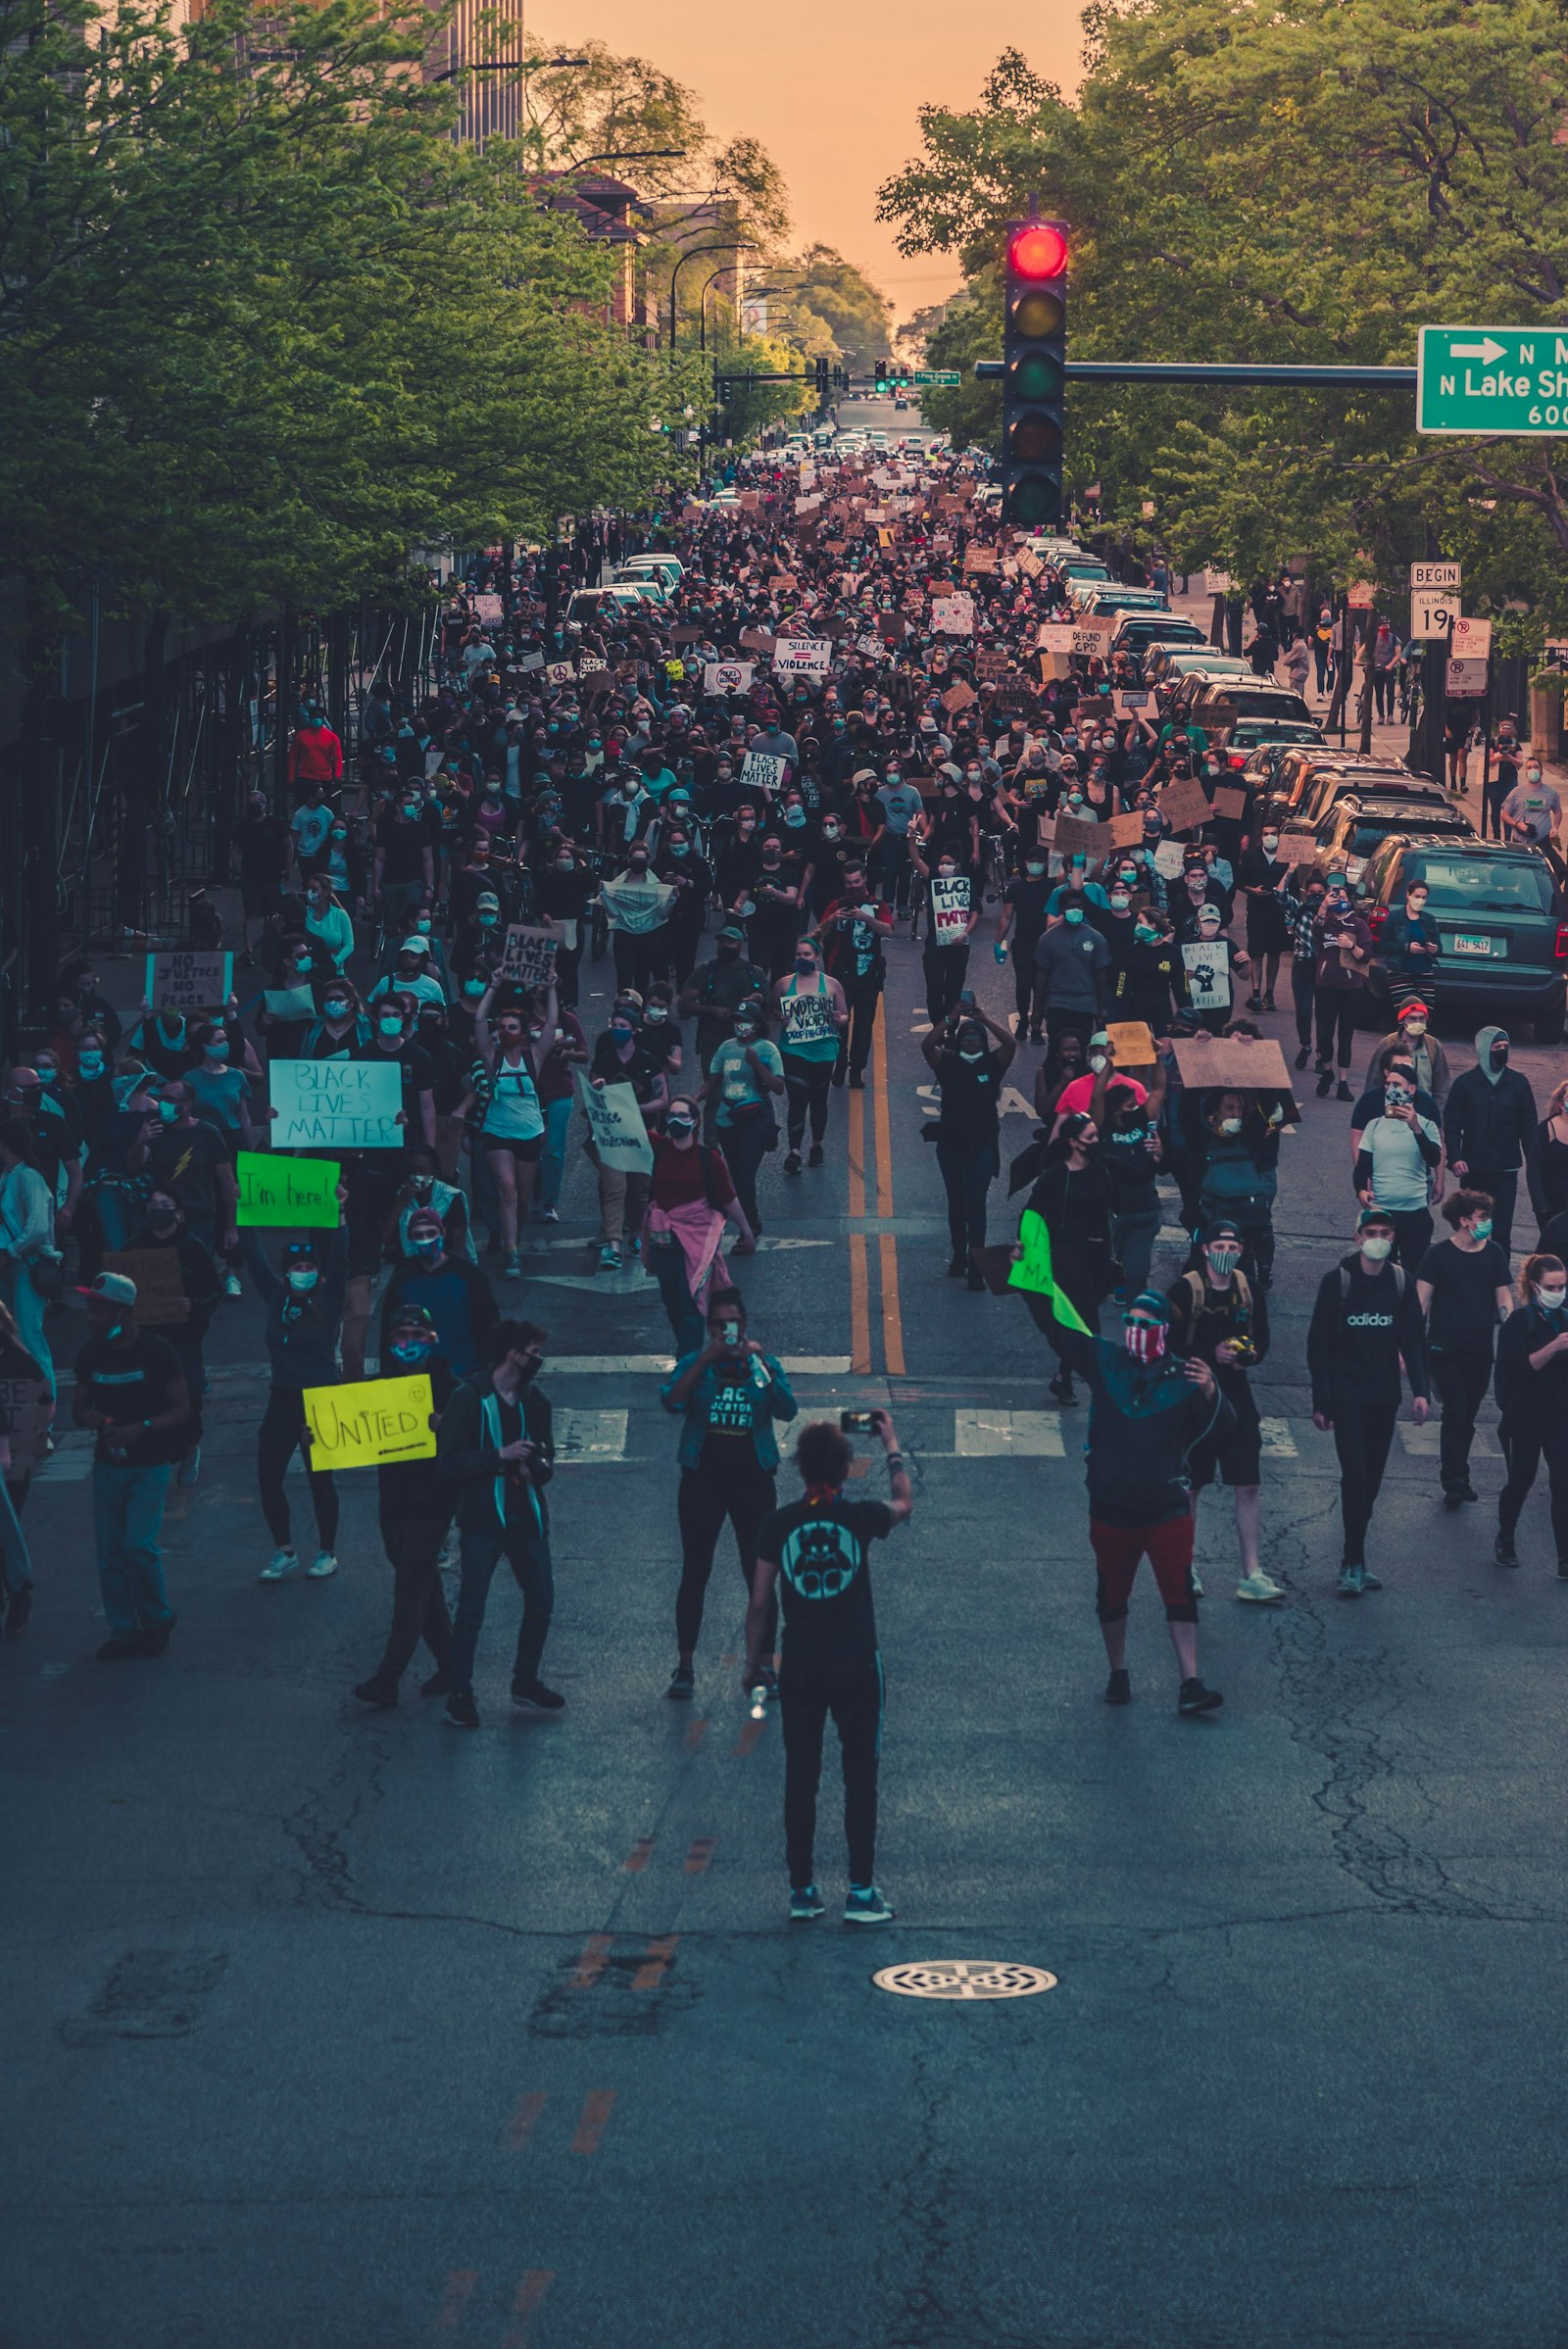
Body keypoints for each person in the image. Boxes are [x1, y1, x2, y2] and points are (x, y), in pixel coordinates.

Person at [744, 1409, 912, 1925]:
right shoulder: (857, 1519)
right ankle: (861, 1891)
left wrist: (754, 1666)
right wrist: (891, 1444)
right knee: (860, 1775)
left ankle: (803, 1889)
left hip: (801, 1664)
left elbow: (759, 1604)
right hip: (857, 1661)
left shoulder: (778, 1524)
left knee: (802, 1774)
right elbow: (905, 1502)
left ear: (800, 1468)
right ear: (845, 1468)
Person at [1046, 1291, 1229, 1715]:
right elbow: (1056, 1330)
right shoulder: (1105, 1360)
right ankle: (1118, 1673)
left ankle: (1190, 1682)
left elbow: (1222, 1427)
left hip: (1166, 1506)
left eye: (1146, 1325)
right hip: (1111, 1506)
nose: (1136, 1332)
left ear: (1164, 1330)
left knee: (1179, 1592)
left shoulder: (1186, 1377)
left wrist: (1210, 1391)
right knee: (1111, 1593)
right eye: (1131, 1322)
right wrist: (1026, 1279)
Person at [661, 1289, 797, 1700]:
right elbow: (671, 1400)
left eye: (732, 1324)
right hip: (702, 1480)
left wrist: (756, 1362)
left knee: (758, 1576)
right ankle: (684, 1666)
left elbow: (787, 1409)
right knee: (695, 1571)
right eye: (718, 1325)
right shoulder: (695, 1365)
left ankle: (764, 1667)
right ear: (710, 1327)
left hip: (752, 1482)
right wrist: (705, 1358)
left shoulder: (763, 1366)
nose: (726, 1331)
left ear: (745, 1325)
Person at [436, 1318, 560, 1728]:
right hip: (482, 1519)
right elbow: (448, 1463)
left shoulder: (535, 1401)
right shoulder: (470, 1399)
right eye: (535, 1352)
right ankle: (460, 1693)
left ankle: (525, 1680)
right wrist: (499, 1456)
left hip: (525, 1515)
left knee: (541, 1598)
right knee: (472, 1607)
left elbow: (547, 1457)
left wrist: (534, 1470)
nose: (538, 1360)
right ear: (514, 1354)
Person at [1306, 1206, 1432, 1595]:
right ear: (1358, 1237)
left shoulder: (1400, 1282)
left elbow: (1412, 1338)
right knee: (1356, 1477)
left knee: (1373, 1482)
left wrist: (1422, 1391)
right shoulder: (1338, 1281)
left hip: (1383, 1396)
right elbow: (1318, 1344)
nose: (1379, 1238)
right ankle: (1352, 1560)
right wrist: (1321, 1400)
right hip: (1347, 1396)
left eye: (1385, 1232)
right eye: (1371, 1231)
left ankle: (1357, 1555)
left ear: (1393, 1238)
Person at [72, 1270, 189, 1658]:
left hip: (150, 1464)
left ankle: (157, 1618)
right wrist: (103, 1424)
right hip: (108, 1466)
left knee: (138, 1545)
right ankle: (124, 1631)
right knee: (110, 1553)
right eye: (91, 1308)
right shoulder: (91, 1353)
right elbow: (80, 1409)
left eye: (100, 1310)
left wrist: (142, 1427)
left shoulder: (156, 1351)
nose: (92, 1317)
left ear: (123, 1313)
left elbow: (181, 1409)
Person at [1168, 1219, 1285, 1603]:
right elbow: (1165, 1349)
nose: (1226, 1254)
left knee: (1247, 1483)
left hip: (1236, 1398)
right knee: (1192, 1485)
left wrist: (1247, 1355)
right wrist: (1208, 1356)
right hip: (1195, 1402)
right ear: (1204, 1249)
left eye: (1233, 1248)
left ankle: (1251, 1572)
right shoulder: (1184, 1290)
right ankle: (1185, 1566)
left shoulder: (1247, 1289)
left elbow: (1261, 1337)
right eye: (1219, 1246)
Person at [352, 1305, 457, 1709]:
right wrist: (317, 1437)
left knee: (411, 1586)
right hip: (393, 1500)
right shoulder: (381, 1387)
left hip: (433, 1503)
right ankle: (451, 1663)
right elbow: (348, 1432)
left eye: (417, 1334)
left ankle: (388, 1678)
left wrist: (445, 1425)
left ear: (432, 1339)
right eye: (401, 1335)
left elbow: (475, 1436)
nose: (408, 1343)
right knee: (422, 1581)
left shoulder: (452, 1388)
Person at [241, 1221, 348, 1580]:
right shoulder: (276, 1297)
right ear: (287, 1272)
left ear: (318, 1271)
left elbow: (341, 1259)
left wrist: (341, 1219)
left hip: (320, 1400)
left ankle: (328, 1553)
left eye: (309, 1267)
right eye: (296, 1268)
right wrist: (244, 1215)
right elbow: (255, 1259)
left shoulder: (329, 1298)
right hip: (282, 1398)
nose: (303, 1273)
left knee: (321, 1479)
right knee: (268, 1476)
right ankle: (285, 1550)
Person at [1416, 1191, 1512, 1510]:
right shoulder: (1438, 1256)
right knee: (1455, 1412)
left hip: (1480, 1350)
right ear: (1464, 1220)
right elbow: (1421, 1302)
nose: (1487, 1223)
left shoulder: (1495, 1254)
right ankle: (1454, 1480)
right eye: (1482, 1217)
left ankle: (1461, 1474)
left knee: (1467, 1416)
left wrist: (1510, 1325)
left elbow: (1503, 1297)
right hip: (1444, 1348)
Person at [125, 1184, 222, 1488]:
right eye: (153, 1203)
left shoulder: (193, 1248)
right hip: (146, 1334)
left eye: (164, 1204)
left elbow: (213, 1291)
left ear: (178, 1212)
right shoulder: (132, 1248)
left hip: (183, 1334)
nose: (157, 1209)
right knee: (149, 1394)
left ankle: (191, 1446)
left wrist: (193, 1305)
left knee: (190, 1389)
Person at [643, 1099, 756, 1356]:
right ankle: (686, 1348)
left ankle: (688, 1359)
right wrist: (602, 1096)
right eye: (671, 1115)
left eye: (682, 1116)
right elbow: (625, 1125)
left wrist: (746, 1232)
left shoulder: (709, 1158)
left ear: (695, 1122)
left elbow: (728, 1197)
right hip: (664, 1240)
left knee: (690, 1299)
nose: (675, 1121)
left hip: (697, 1239)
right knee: (671, 1300)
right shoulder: (658, 1147)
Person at [921, 1001, 1015, 1288]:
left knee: (976, 1202)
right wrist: (951, 1017)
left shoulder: (992, 1064)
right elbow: (928, 1045)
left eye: (977, 1038)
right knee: (956, 1202)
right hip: (951, 1142)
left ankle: (976, 1263)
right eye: (967, 1037)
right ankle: (959, 1255)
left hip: (983, 1143)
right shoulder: (947, 1062)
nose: (972, 1042)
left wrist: (984, 1020)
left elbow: (1010, 1044)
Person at [472, 979, 556, 1276]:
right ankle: (512, 1253)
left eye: (512, 1027)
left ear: (522, 1034)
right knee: (507, 1191)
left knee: (521, 1198)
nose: (506, 1032)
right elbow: (480, 1019)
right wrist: (492, 987)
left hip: (529, 1133)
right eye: (503, 1027)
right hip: (497, 1133)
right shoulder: (491, 1057)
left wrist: (552, 989)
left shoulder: (533, 1058)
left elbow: (551, 1027)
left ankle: (513, 1239)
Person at [1493, 1254, 1568, 1573]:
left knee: (1563, 1481)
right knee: (1521, 1479)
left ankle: (1564, 1556)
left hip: (1559, 1413)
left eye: (1563, 1285)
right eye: (1552, 1286)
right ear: (1536, 1286)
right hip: (1524, 1414)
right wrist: (1553, 1347)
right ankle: (1505, 1537)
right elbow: (1521, 1370)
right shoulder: (1519, 1322)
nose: (1559, 1291)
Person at [1444, 1027, 1542, 1260]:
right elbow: (1453, 1125)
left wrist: (1536, 1164)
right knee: (1471, 1227)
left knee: (1501, 1231)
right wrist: (1456, 1157)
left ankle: (1499, 1280)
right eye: (1497, 1048)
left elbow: (1529, 1129)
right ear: (1484, 1050)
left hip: (1505, 1170)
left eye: (1505, 1048)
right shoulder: (1465, 1084)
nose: (1502, 1052)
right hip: (1474, 1169)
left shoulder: (1518, 1084)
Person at [377, 1205, 498, 1377]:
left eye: (431, 1233)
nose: (426, 1239)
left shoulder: (470, 1276)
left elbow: (488, 1327)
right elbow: (389, 1337)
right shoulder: (402, 1281)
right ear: (410, 1239)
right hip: (417, 1379)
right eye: (419, 1235)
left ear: (443, 1233)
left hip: (465, 1374)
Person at [699, 995, 783, 1240]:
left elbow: (778, 1087)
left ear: (757, 1024)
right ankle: (750, 1220)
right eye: (738, 1021)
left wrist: (757, 1065)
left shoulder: (767, 1049)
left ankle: (750, 1226)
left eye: (746, 1021)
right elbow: (712, 1081)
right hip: (728, 1117)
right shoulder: (726, 1048)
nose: (741, 1026)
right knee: (735, 1173)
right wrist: (692, 1101)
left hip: (757, 1116)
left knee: (746, 1172)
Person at [1354, 1055, 1445, 1266]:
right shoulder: (1374, 1125)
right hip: (1382, 1212)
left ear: (1411, 1089)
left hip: (1415, 1212)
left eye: (1397, 1084)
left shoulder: (1426, 1125)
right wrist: (1360, 1190)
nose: (1390, 1088)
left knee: (1414, 1272)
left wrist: (1415, 1128)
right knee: (1382, 1270)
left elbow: (1433, 1158)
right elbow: (1362, 1167)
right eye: (1387, 1084)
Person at [773, 935, 847, 1176]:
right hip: (794, 1049)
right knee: (798, 1099)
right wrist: (780, 1018)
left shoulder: (832, 985)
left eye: (807, 954)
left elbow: (845, 1015)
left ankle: (816, 1145)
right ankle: (794, 1151)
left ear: (816, 957)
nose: (802, 958)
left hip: (823, 1050)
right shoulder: (784, 984)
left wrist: (839, 1019)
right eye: (798, 955)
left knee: (818, 1099)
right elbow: (774, 1010)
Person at [0, 1119, 61, 1398]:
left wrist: (12, 1250)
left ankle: (44, 1413)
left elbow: (37, 1228)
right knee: (14, 1337)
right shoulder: (7, 1177)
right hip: (12, 1266)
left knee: (30, 1337)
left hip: (28, 1265)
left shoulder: (29, 1177)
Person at [1311, 875, 1372, 1100]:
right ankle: (1327, 1072)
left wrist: (1351, 945)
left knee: (1345, 1037)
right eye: (1335, 896)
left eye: (1343, 896)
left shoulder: (1358, 925)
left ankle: (1343, 1082)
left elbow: (1366, 957)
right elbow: (1314, 929)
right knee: (1325, 1035)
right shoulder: (1325, 920)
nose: (1339, 900)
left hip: (1351, 988)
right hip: (1326, 985)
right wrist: (1323, 905)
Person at [1237, 821, 1290, 1009]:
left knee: (1274, 953)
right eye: (1266, 833)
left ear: (1279, 835)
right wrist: (1253, 890)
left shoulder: (1287, 859)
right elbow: (1239, 881)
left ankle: (1270, 992)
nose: (1270, 837)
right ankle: (1256, 992)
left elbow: (1295, 889)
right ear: (1261, 837)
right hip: (1257, 911)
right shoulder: (1251, 857)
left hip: (1278, 912)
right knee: (1256, 951)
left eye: (1273, 833)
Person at [1365, 1001, 1451, 1113]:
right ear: (1402, 1020)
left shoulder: (1433, 1046)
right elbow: (1374, 1083)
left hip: (1423, 1113)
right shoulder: (1387, 1044)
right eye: (1412, 1018)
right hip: (1393, 1113)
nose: (1418, 1022)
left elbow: (1442, 1086)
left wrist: (1436, 1115)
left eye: (1422, 1018)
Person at [1376, 876, 1441, 1010]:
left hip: (1423, 971)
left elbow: (1439, 947)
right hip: (1400, 970)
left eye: (1424, 897)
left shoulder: (1428, 919)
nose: (1420, 901)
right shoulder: (1395, 916)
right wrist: (1406, 948)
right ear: (1408, 895)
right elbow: (1383, 945)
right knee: (1407, 1010)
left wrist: (1434, 949)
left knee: (1425, 1010)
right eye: (1417, 896)